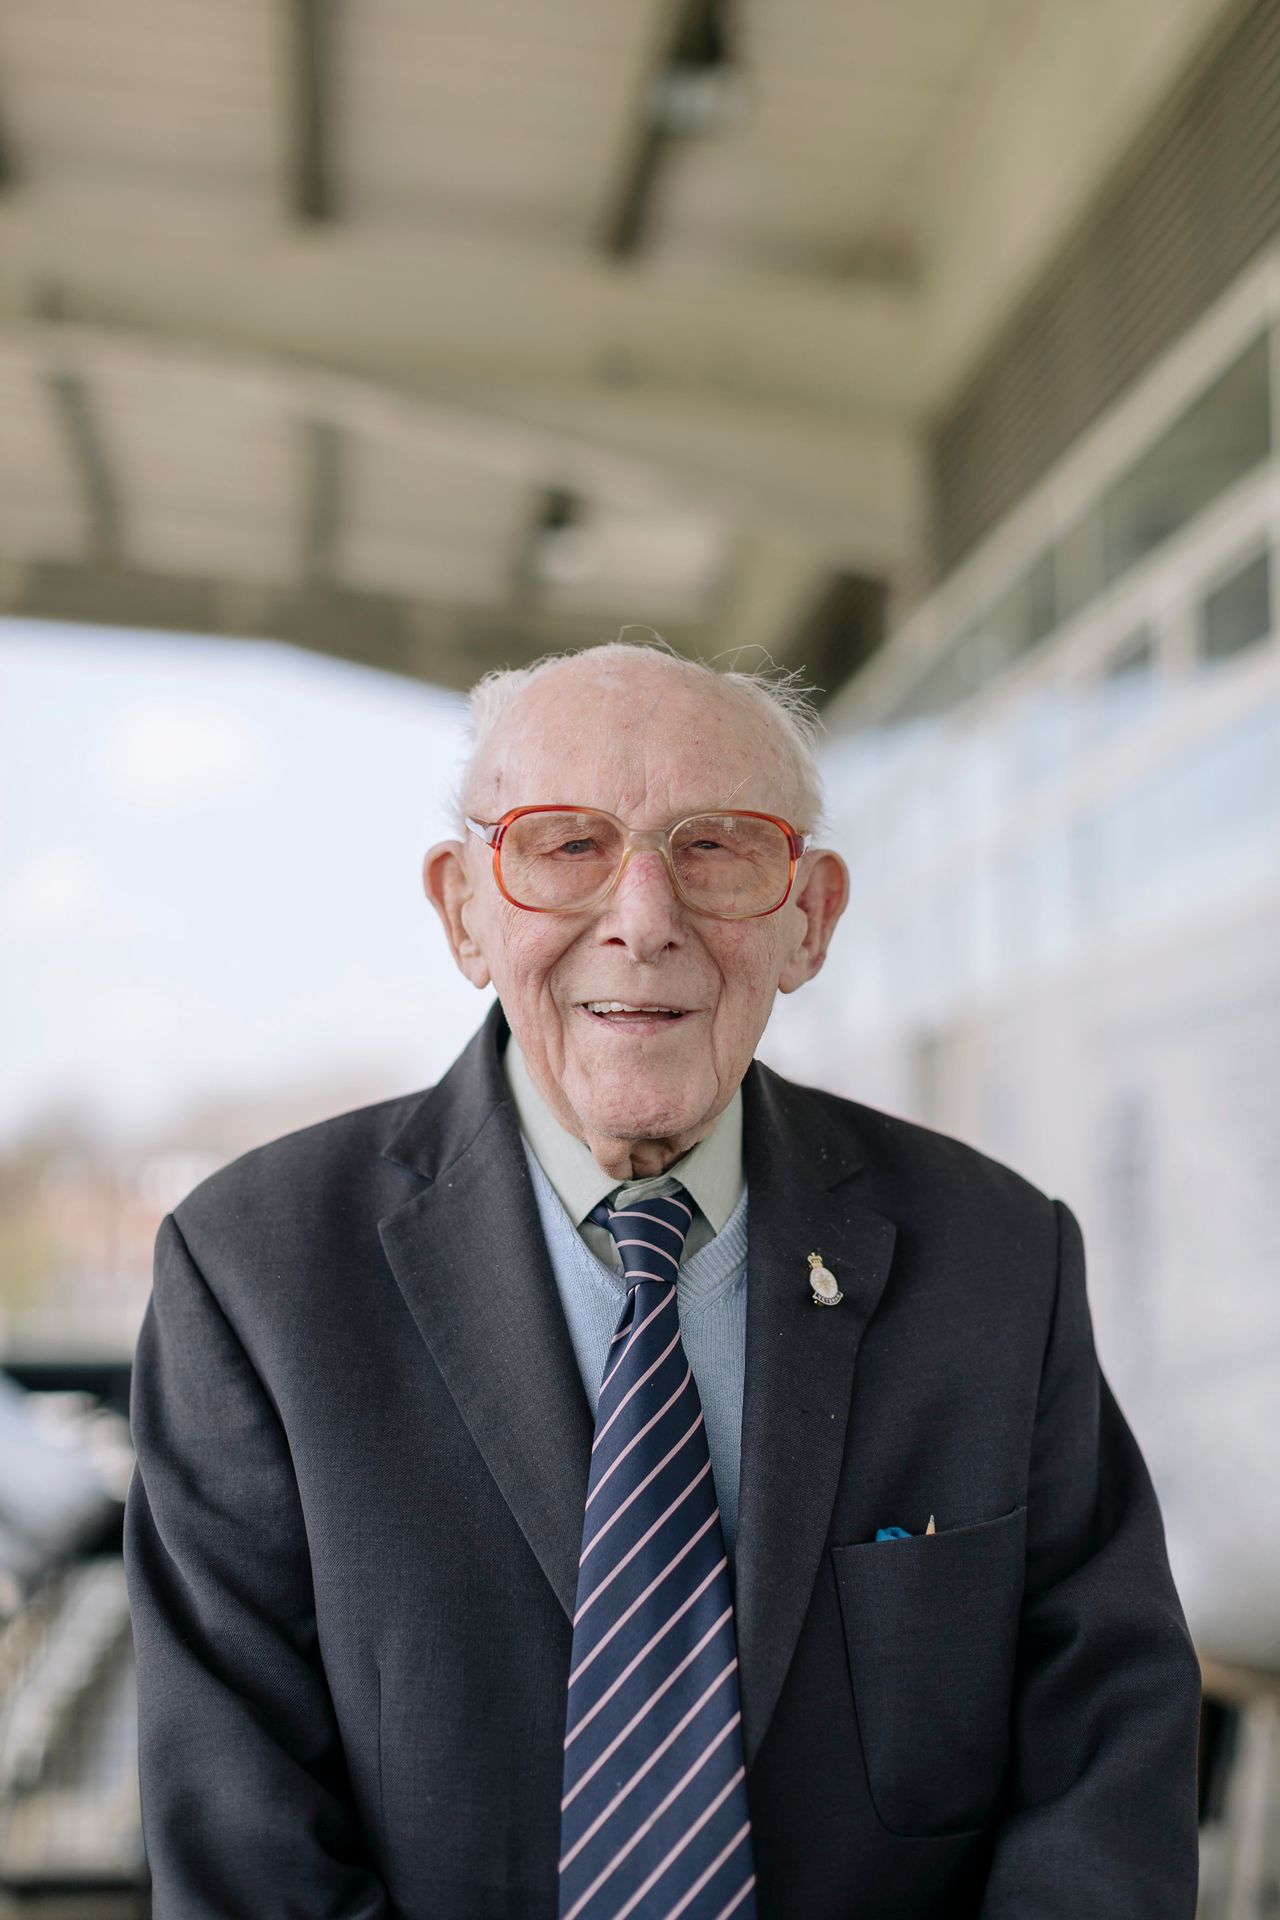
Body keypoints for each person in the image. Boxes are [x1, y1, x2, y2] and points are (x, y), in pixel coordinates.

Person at [123, 640, 1202, 1919]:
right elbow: (245, 1850)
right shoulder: (253, 1276)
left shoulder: (999, 1259)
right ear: (464, 908)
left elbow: (1102, 1759)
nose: (643, 919)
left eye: (716, 847)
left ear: (808, 918)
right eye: (566, 846)